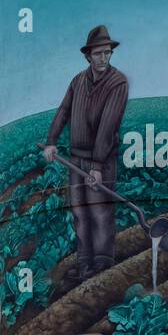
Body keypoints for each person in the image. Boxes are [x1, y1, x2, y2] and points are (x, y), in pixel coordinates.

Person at [43, 25, 128, 282]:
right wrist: (51, 141)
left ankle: (103, 265)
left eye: (107, 53)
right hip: (75, 158)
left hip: (100, 160)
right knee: (79, 211)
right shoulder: (78, 81)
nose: (103, 58)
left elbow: (108, 125)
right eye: (98, 54)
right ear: (88, 56)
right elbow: (64, 111)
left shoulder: (118, 82)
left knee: (99, 211)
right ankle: (84, 263)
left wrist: (97, 165)